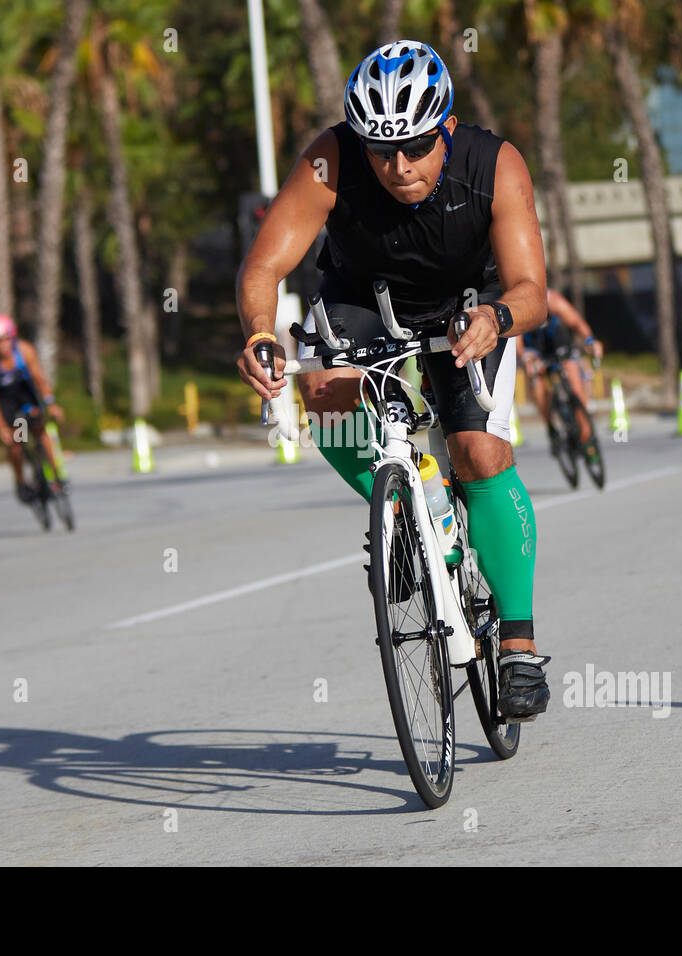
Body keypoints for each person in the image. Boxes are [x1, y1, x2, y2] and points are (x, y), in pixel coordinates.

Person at [235, 40, 551, 720]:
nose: (398, 166)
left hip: (473, 305)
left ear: (445, 130)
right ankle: (411, 510)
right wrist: (262, 333)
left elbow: (533, 291)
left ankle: (519, 645)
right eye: (381, 151)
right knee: (322, 389)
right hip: (364, 296)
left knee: (478, 452)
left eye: (413, 147)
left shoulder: (494, 165)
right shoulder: (330, 160)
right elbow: (264, 268)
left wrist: (498, 317)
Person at [0, 313, 65, 503]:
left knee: (40, 430)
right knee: (16, 442)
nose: (1, 345)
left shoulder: (24, 350)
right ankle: (21, 481)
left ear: (12, 337)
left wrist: (51, 403)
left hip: (25, 393)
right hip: (6, 401)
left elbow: (40, 380)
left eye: (4, 340)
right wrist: (1, 427)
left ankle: (57, 476)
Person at [519, 287, 602, 454]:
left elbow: (576, 323)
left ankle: (587, 438)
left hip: (559, 344)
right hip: (535, 349)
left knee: (576, 386)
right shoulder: (518, 304)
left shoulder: (552, 300)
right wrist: (525, 358)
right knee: (538, 387)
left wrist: (590, 340)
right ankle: (551, 428)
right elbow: (516, 340)